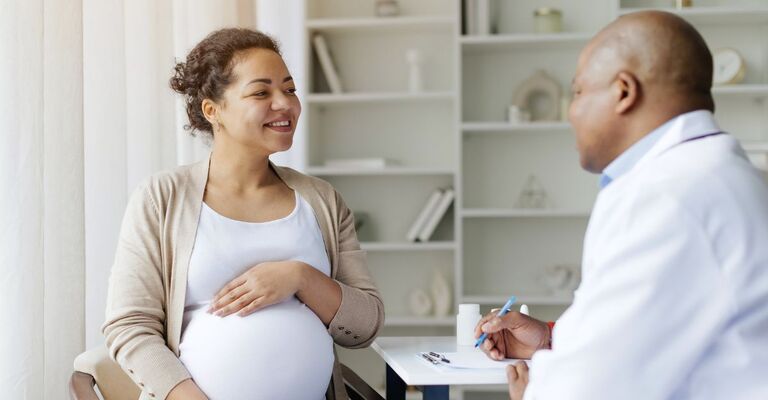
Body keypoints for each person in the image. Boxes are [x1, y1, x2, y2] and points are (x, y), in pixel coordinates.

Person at [475, 10, 768, 400]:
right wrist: (548, 339)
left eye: (578, 93)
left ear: (624, 91)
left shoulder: (669, 195)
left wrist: (533, 393)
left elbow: (588, 391)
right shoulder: (708, 174)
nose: (570, 113)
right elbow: (659, 330)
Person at [102, 28, 384, 400]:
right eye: (261, 92)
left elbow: (366, 324)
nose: (285, 104)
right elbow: (130, 327)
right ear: (212, 110)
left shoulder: (322, 200)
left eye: (289, 89)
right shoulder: (162, 198)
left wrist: (300, 277)